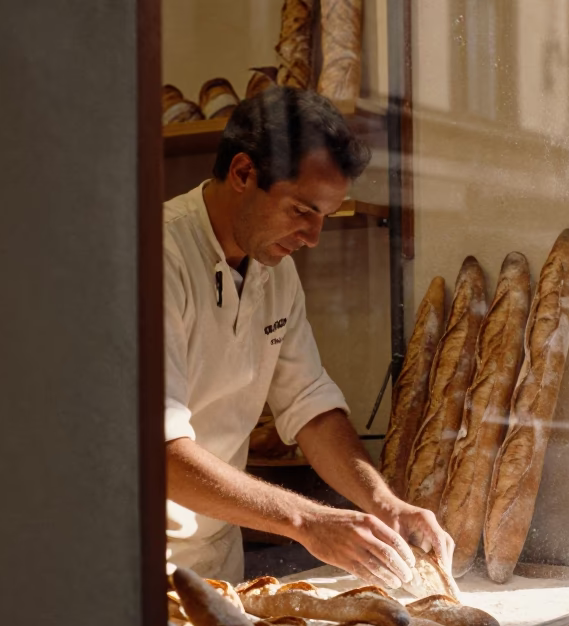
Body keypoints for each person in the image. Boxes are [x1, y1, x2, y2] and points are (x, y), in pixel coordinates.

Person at [163, 87, 453, 586]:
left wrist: (385, 504)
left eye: (325, 216)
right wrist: (308, 521)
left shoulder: (274, 268)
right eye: (301, 210)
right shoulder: (155, 258)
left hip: (214, 565)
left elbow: (309, 404)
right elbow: (158, 453)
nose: (313, 238)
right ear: (242, 173)